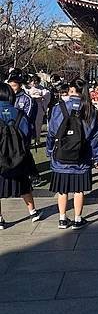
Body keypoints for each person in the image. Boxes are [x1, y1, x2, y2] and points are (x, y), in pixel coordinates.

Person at [47, 79, 98, 229]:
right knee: (79, 190)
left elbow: (52, 132)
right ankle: (78, 219)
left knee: (62, 190)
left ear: (71, 90)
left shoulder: (58, 107)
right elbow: (95, 136)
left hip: (61, 155)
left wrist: (49, 149)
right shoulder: (90, 110)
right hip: (81, 156)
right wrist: (97, 156)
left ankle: (62, 218)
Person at [0, 82, 41, 229]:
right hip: (19, 156)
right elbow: (26, 133)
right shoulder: (19, 113)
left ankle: (0, 219)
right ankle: (33, 212)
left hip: (0, 158)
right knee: (24, 185)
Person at [27, 74, 51, 145]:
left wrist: (41, 98)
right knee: (29, 123)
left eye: (36, 82)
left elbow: (47, 96)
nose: (34, 83)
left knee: (38, 124)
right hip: (30, 107)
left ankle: (37, 139)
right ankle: (29, 139)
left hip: (39, 106)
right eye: (33, 81)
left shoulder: (42, 89)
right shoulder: (28, 88)